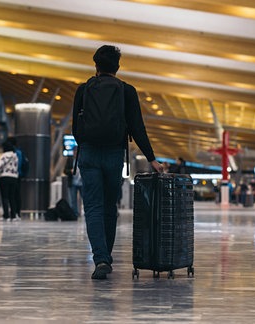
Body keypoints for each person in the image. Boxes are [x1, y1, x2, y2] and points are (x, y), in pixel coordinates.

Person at [72, 45, 163, 280]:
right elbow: (137, 127)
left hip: (89, 154)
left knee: (92, 207)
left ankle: (100, 258)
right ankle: (106, 257)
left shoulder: (83, 90)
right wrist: (151, 158)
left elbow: (75, 129)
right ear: (118, 67)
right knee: (109, 206)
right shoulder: (127, 91)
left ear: (96, 66)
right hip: (114, 154)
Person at [0, 141, 19, 221]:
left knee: (5, 197)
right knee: (12, 197)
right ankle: (13, 215)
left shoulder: (4, 156)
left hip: (5, 177)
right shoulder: (15, 157)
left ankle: (6, 215)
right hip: (14, 178)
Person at [7, 137, 27, 219]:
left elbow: (17, 165)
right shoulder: (18, 151)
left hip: (16, 175)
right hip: (17, 175)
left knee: (14, 195)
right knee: (15, 195)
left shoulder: (16, 152)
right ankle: (16, 212)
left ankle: (16, 212)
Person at [63, 148, 83, 217]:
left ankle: (86, 213)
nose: (75, 153)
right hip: (72, 183)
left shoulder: (82, 160)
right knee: (73, 200)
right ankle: (75, 214)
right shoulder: (70, 160)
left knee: (85, 198)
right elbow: (65, 171)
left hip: (82, 183)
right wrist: (70, 171)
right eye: (74, 151)